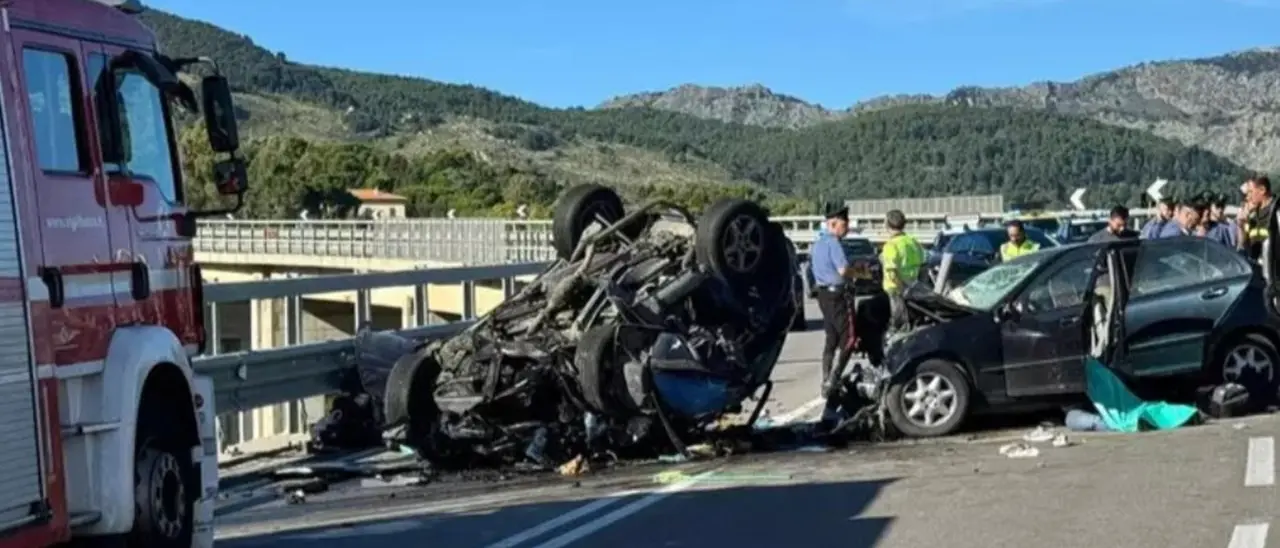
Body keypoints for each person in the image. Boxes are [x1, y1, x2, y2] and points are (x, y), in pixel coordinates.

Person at [811, 204, 857, 393]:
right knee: (849, 338)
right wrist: (860, 273)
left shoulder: (817, 244)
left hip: (823, 294)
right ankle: (834, 379)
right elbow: (843, 270)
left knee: (831, 337)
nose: (847, 228)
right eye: (844, 224)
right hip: (838, 295)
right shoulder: (834, 243)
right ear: (834, 224)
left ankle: (825, 378)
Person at [880, 209, 925, 332]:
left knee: (898, 324)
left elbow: (892, 272)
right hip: (913, 286)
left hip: (896, 290)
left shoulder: (891, 245)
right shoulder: (913, 242)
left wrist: (901, 288)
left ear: (887, 225)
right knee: (913, 321)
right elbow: (923, 263)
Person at [1238, 175, 1275, 261]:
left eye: (1250, 192)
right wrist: (1241, 226)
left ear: (1262, 190)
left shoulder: (1276, 212)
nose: (1248, 197)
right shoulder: (1252, 216)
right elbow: (1245, 247)